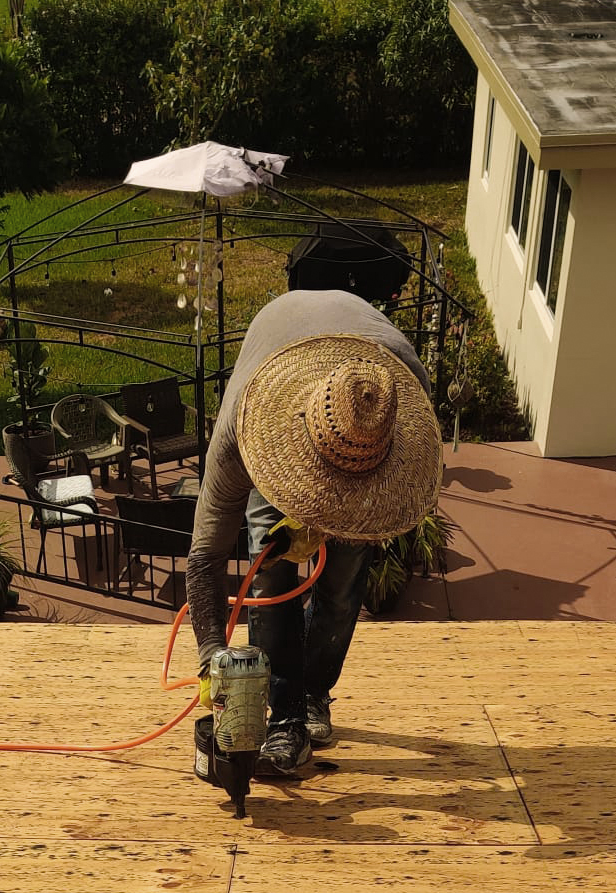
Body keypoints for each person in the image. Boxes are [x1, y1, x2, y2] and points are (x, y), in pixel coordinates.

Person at [186, 288, 443, 777]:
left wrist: (337, 519)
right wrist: (210, 656)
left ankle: (311, 696)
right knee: (271, 578)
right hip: (286, 404)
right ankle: (284, 720)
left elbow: (395, 443)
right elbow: (205, 557)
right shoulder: (245, 426)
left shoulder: (396, 399)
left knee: (343, 584)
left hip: (367, 443)